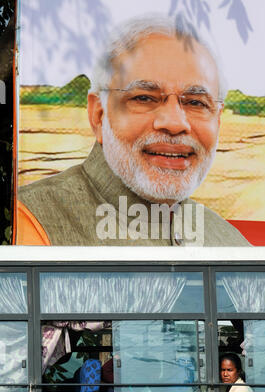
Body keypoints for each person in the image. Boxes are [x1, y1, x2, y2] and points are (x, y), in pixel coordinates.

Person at [17, 14, 250, 247]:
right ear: (98, 114)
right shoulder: (28, 225)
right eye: (144, 98)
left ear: (218, 120)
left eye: (196, 103)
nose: (174, 123)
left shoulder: (232, 245)